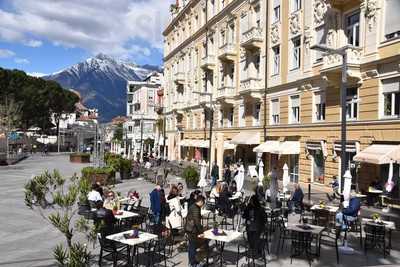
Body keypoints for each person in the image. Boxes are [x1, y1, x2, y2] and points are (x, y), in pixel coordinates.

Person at [185, 195, 207, 267]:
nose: (203, 204)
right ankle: (192, 264)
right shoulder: (196, 208)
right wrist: (201, 231)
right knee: (192, 246)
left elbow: (194, 217)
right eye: (203, 203)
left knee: (192, 246)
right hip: (192, 230)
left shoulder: (193, 206)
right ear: (200, 201)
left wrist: (200, 216)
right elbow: (197, 221)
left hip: (189, 228)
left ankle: (192, 262)